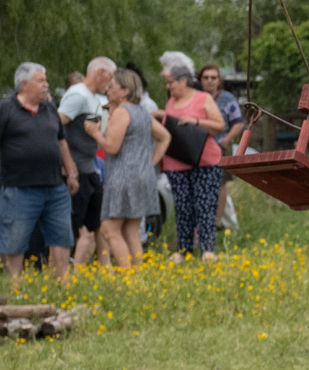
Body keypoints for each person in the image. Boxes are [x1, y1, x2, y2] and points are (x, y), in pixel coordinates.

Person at [0, 60, 77, 283]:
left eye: (46, 80)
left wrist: (71, 172)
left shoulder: (51, 109)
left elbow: (61, 142)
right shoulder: (4, 109)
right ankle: (16, 286)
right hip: (18, 187)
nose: (46, 84)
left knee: (62, 236)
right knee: (14, 239)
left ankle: (63, 282)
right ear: (24, 84)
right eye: (41, 80)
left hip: (54, 187)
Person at [158, 51, 229, 259]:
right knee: (183, 207)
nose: (168, 86)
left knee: (205, 205)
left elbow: (220, 126)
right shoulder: (170, 102)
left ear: (182, 81)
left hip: (205, 161)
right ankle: (184, 249)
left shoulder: (203, 98)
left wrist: (196, 122)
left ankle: (207, 250)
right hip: (176, 162)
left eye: (171, 82)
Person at [96, 66, 162, 266]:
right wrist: (149, 163)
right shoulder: (142, 112)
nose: (107, 89)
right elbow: (165, 137)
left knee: (109, 230)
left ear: (125, 91)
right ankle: (137, 277)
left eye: (112, 85)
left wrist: (94, 133)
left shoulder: (122, 113)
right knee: (131, 231)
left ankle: (128, 277)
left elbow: (111, 147)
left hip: (123, 177)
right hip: (142, 176)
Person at [60, 56, 115, 267]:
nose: (110, 84)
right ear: (101, 72)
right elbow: (57, 126)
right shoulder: (77, 94)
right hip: (76, 169)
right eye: (109, 78)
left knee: (97, 223)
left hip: (90, 166)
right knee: (76, 226)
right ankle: (65, 268)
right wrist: (66, 164)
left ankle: (102, 266)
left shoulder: (93, 98)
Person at [199, 61, 244, 235]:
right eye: (206, 78)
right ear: (200, 80)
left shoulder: (227, 99)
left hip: (220, 144)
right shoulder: (196, 97)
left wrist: (226, 140)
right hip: (200, 145)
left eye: (213, 78)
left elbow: (238, 123)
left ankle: (217, 222)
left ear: (219, 80)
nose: (210, 81)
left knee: (220, 184)